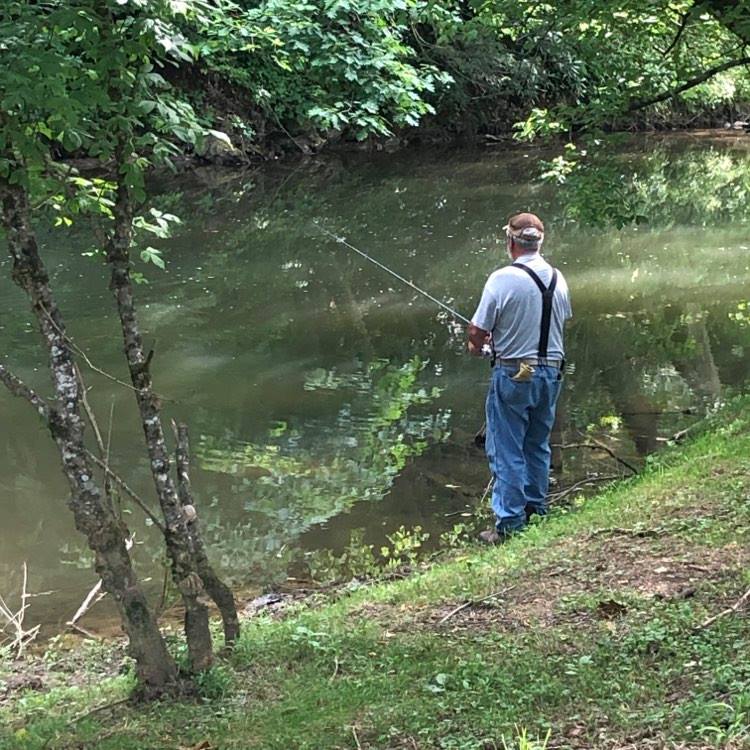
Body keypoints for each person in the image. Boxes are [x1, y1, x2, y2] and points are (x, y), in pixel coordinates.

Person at [467, 212, 572, 543]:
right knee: (536, 444)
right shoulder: (559, 278)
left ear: (510, 242)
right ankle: (536, 511)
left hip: (515, 371)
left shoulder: (502, 278)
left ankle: (510, 524)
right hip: (551, 371)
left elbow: (477, 330)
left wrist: (477, 346)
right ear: (541, 242)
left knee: (506, 446)